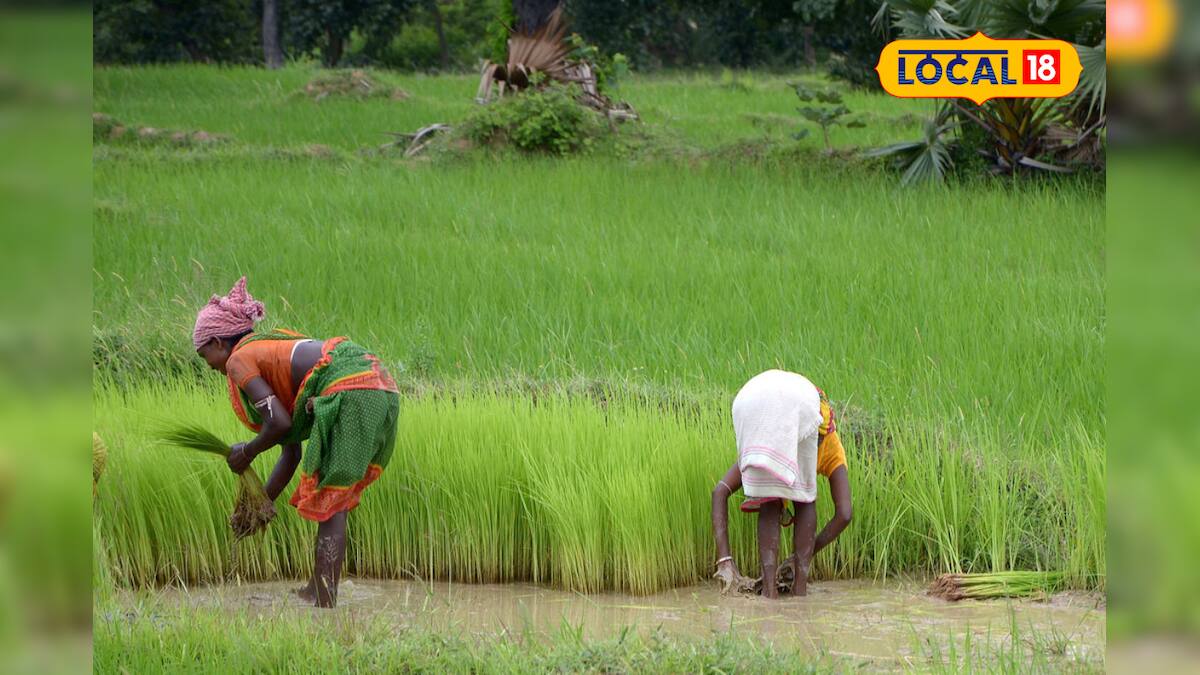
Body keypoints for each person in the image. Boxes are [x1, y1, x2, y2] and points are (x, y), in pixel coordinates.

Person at [193, 277, 400, 608]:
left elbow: (279, 423)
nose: (212, 368)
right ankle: (317, 590)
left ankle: (324, 599)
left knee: (332, 499)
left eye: (207, 358)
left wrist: (246, 452)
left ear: (218, 342)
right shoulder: (271, 349)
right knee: (334, 494)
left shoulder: (238, 360)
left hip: (350, 387)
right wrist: (259, 507)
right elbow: (290, 450)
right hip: (378, 384)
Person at [711, 369, 852, 598]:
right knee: (797, 499)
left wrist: (725, 560)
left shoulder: (824, 448)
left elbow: (720, 490)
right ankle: (799, 595)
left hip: (753, 401)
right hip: (778, 404)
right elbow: (844, 513)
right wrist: (725, 561)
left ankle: (770, 595)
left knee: (775, 499)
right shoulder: (822, 444)